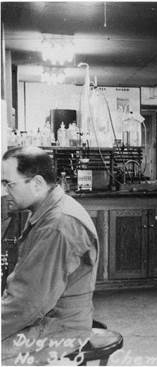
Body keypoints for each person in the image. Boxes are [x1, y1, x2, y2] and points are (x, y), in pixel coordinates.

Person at [1, 146, 99, 365]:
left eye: (8, 183)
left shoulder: (57, 225)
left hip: (60, 329)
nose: (5, 191)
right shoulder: (46, 208)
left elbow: (29, 304)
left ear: (36, 183)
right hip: (47, 318)